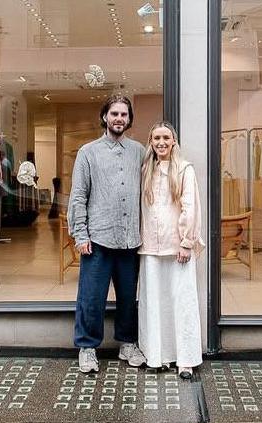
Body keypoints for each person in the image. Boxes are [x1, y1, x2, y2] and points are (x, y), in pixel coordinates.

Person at [68, 95, 147, 373]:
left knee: (129, 296)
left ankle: (127, 344)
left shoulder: (140, 151)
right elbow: (78, 196)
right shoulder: (87, 152)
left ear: (129, 119)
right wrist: (80, 234)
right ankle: (87, 348)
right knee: (91, 297)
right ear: (105, 117)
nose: (119, 119)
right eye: (114, 113)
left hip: (129, 239)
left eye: (124, 115)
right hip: (97, 239)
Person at [137, 121, 205, 379]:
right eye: (156, 138)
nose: (161, 142)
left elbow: (191, 207)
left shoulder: (184, 169)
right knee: (154, 303)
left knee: (182, 302)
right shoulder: (145, 170)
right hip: (150, 247)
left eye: (166, 137)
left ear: (173, 141)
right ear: (151, 141)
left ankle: (185, 359)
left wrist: (187, 242)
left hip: (177, 247)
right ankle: (157, 355)